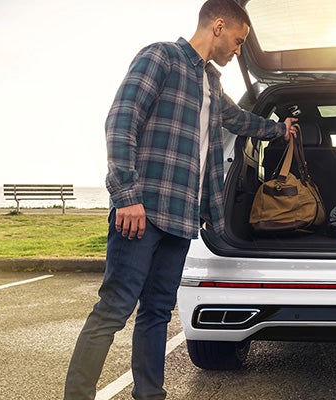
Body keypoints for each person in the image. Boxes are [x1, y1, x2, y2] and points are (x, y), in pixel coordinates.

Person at [64, 1, 297, 399]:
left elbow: (239, 120)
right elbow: (121, 121)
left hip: (182, 217)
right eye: (238, 41)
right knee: (115, 308)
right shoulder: (162, 57)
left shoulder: (211, 82)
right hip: (142, 211)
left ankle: (150, 394)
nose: (238, 50)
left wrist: (280, 130)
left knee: (157, 311)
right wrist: (126, 196)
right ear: (218, 26)